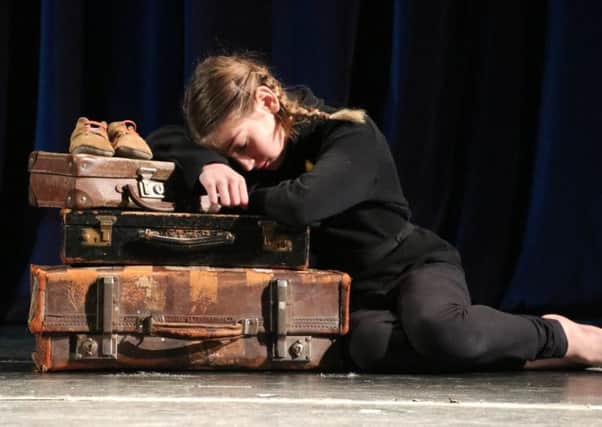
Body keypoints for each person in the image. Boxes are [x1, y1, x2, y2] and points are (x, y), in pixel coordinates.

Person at [150, 54, 602, 372]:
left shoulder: (348, 131)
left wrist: (244, 196)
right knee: (366, 348)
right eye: (230, 155)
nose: (243, 163)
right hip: (360, 293)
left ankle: (565, 337)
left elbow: (305, 202)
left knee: (439, 331)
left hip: (413, 266)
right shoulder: (242, 159)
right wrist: (204, 163)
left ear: (269, 102)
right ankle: (513, 348)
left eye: (243, 145)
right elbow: (161, 138)